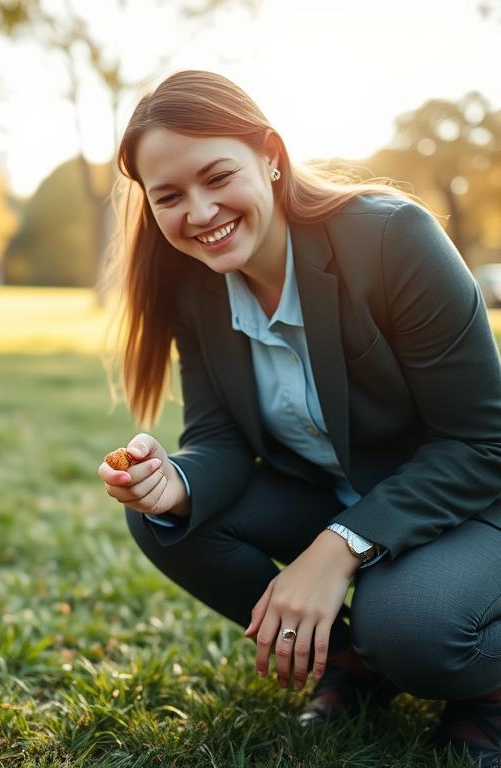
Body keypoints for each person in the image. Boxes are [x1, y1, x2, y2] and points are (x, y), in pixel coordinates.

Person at [97, 70, 501, 766]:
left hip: (468, 505)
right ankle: (353, 663)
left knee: (412, 632)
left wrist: (338, 547)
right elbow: (219, 437)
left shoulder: (391, 239)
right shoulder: (194, 284)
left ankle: (485, 691)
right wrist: (175, 481)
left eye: (216, 176)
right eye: (169, 196)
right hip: (334, 493)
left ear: (272, 154)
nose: (197, 212)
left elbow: (480, 442)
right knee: (167, 516)